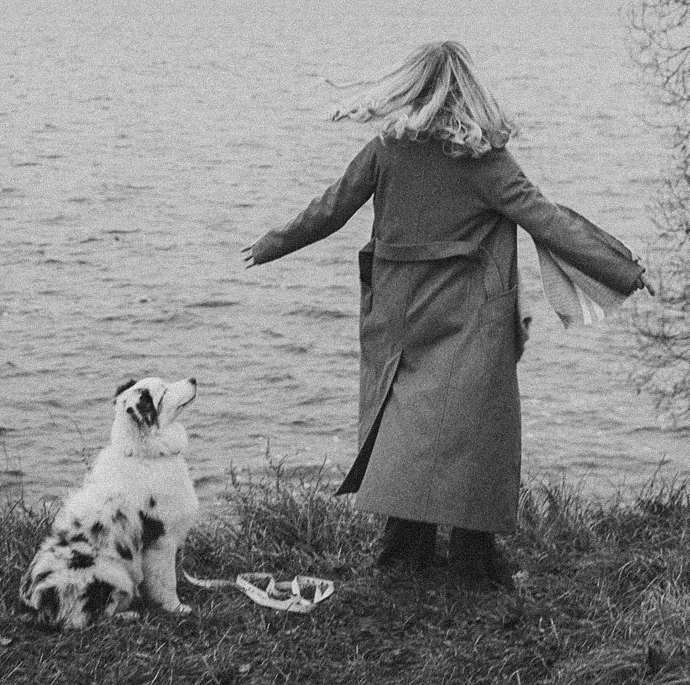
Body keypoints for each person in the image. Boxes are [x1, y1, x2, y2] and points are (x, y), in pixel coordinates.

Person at [242, 40, 646, 586]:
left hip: (396, 309)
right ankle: (473, 559)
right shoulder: (486, 162)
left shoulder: (386, 150)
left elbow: (331, 209)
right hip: (469, 314)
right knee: (476, 432)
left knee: (401, 423)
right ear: (470, 91)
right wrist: (621, 270)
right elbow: (547, 221)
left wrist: (272, 243)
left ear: (412, 88)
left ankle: (403, 550)